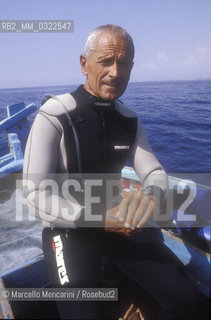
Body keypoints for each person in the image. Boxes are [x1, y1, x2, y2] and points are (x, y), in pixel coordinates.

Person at [23, 25, 208, 320]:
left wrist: (151, 196)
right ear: (84, 64)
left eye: (124, 63)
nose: (115, 72)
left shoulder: (128, 119)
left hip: (121, 223)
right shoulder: (55, 115)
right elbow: (34, 194)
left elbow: (154, 171)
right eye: (106, 61)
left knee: (185, 299)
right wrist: (99, 219)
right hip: (69, 228)